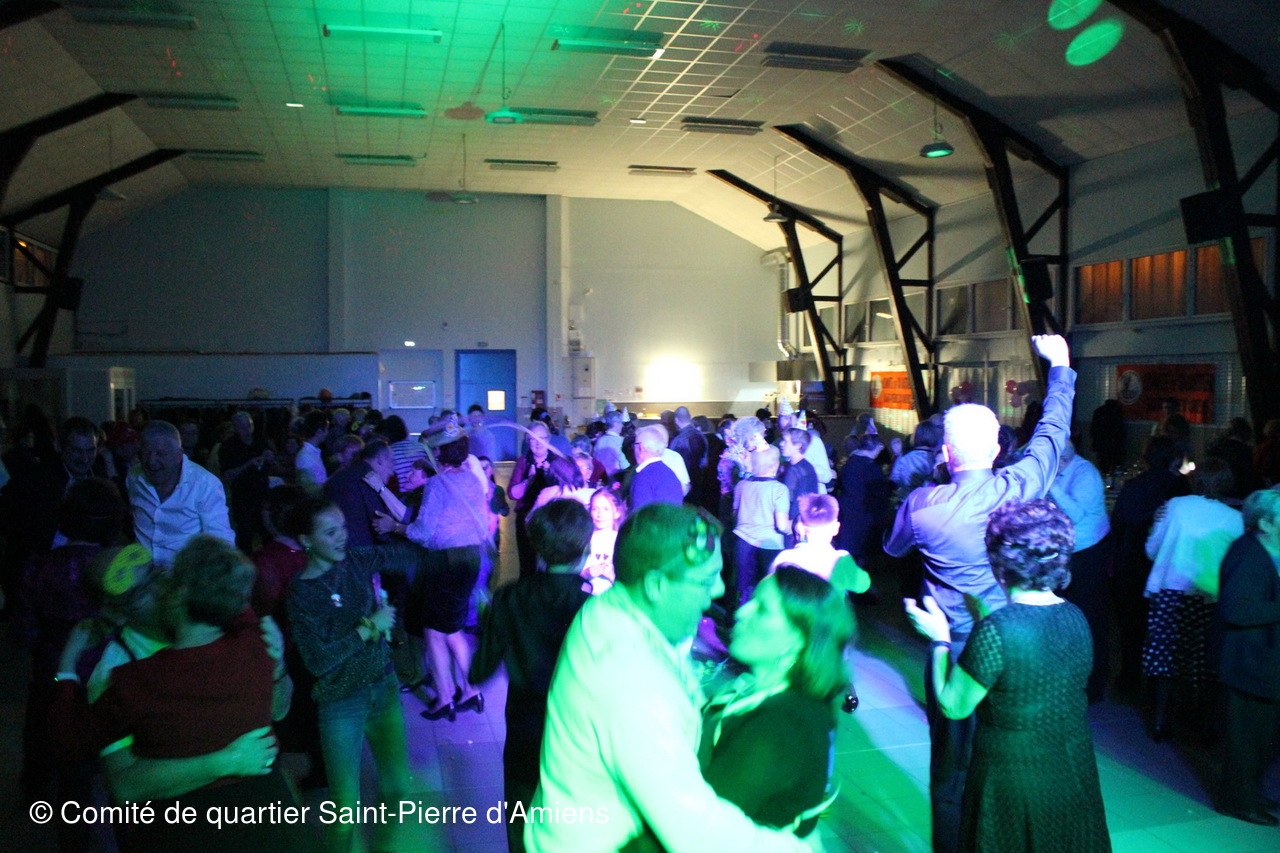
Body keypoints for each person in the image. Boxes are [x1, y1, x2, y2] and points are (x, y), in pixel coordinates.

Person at [884, 333, 1074, 853]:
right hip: (1010, 646)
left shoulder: (923, 505)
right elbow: (1052, 432)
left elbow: (893, 548)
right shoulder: (1018, 486)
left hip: (950, 646)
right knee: (1004, 757)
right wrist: (1060, 368)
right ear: (996, 450)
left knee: (951, 769)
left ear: (945, 453)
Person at [528, 503, 810, 853]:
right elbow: (693, 831)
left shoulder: (610, 608)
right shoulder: (633, 678)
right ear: (657, 586)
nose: (719, 590)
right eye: (706, 580)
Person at [905, 499, 1110, 853]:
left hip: (1012, 775)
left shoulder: (997, 630)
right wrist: (985, 616)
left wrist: (939, 640)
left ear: (1000, 563)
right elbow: (1033, 666)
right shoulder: (1076, 616)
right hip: (1071, 768)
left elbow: (953, 705)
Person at [94, 535, 305, 853]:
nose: (159, 590)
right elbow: (127, 785)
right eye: (139, 592)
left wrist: (276, 668)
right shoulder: (114, 673)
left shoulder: (225, 618)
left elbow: (279, 711)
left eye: (156, 574)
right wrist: (225, 761)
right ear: (116, 613)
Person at [285, 498, 418, 853]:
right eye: (330, 532)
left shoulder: (356, 560)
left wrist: (443, 544)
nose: (342, 536)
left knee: (397, 788)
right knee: (345, 807)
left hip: (383, 686)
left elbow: (405, 555)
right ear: (306, 540)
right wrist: (369, 628)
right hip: (341, 702)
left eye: (343, 527)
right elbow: (318, 661)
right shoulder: (301, 592)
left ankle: (385, 848)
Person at [471, 499, 593, 853]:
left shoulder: (510, 597)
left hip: (524, 726)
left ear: (537, 546)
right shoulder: (592, 606)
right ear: (585, 547)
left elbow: (479, 671)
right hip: (573, 731)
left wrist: (486, 624)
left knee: (520, 821)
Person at [701, 566, 853, 836]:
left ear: (799, 639)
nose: (741, 613)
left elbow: (707, 826)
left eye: (762, 609)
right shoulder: (759, 693)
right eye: (750, 601)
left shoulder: (785, 726)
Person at [1142, 458, 1242, 741]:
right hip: (1208, 595)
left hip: (1169, 592)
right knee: (1202, 659)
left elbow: (1152, 550)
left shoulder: (1176, 506)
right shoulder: (1235, 519)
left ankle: (1161, 720)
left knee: (1164, 657)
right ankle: (1203, 724)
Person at [393, 434, 490, 720]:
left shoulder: (437, 484)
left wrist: (395, 527)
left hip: (445, 562)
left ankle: (445, 699)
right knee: (453, 627)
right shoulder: (473, 480)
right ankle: (471, 691)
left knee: (433, 631)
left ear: (439, 452)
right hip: (471, 558)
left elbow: (422, 533)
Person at [1216, 489, 1280, 825]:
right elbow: (1237, 610)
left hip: (1265, 663)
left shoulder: (1271, 550)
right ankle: (1238, 801)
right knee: (1246, 739)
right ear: (1266, 523)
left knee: (1263, 737)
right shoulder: (1247, 554)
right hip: (1248, 663)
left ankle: (1250, 793)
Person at [1048, 440, 1111, 702]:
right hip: (1067, 552)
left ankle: (1094, 685)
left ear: (1061, 459)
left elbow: (1074, 515)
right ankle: (1069, 680)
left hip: (1089, 553)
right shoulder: (1061, 470)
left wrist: (1051, 484)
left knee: (1090, 618)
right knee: (1065, 617)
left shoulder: (1085, 473)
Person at [127, 420, 234, 568]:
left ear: (178, 455)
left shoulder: (204, 484)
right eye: (145, 453)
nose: (151, 461)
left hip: (184, 578)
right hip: (141, 575)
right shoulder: (133, 476)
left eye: (160, 454)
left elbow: (221, 542)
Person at [770, 493, 870, 595]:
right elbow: (863, 585)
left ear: (800, 528)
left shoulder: (784, 558)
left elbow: (771, 591)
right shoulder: (841, 560)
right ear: (836, 528)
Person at [732, 445, 790, 610]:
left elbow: (734, 515)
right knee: (768, 590)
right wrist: (795, 525)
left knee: (743, 589)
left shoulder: (741, 485)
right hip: (769, 545)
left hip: (743, 543)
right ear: (775, 465)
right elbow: (782, 525)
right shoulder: (779, 489)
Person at [219, 410, 274, 552]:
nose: (247, 430)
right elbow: (227, 476)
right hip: (243, 497)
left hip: (263, 493)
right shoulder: (228, 446)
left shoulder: (260, 441)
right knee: (245, 535)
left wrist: (270, 457)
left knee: (268, 532)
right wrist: (248, 464)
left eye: (249, 425)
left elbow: (272, 464)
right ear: (236, 428)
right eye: (243, 427)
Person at [510, 421, 555, 577]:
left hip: (550, 519)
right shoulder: (523, 461)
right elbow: (512, 494)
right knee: (527, 563)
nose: (537, 443)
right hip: (526, 518)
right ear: (527, 441)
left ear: (548, 439)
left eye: (541, 438)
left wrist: (552, 474)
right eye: (532, 439)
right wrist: (527, 481)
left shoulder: (557, 461)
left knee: (547, 563)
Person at [630, 423, 683, 511]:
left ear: (641, 447)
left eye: (634, 445)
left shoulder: (644, 476)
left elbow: (639, 514)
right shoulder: (670, 473)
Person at [583, 487, 626, 595]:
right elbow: (571, 575)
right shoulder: (584, 539)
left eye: (606, 509)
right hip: (585, 596)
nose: (600, 514)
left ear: (617, 513)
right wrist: (587, 573)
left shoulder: (622, 541)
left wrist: (611, 575)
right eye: (595, 509)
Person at [777, 427, 818, 527]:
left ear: (798, 445)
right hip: (807, 520)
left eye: (785, 441)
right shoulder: (808, 467)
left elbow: (787, 500)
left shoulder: (794, 470)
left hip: (793, 523)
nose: (781, 444)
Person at [671, 406, 708, 504]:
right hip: (699, 482)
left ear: (676, 420)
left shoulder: (678, 440)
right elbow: (704, 462)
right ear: (690, 417)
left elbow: (672, 465)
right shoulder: (702, 436)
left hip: (682, 485)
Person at [296, 409, 330, 494]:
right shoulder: (305, 456)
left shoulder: (312, 453)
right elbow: (311, 491)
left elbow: (321, 481)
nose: (327, 432)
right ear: (319, 431)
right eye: (326, 429)